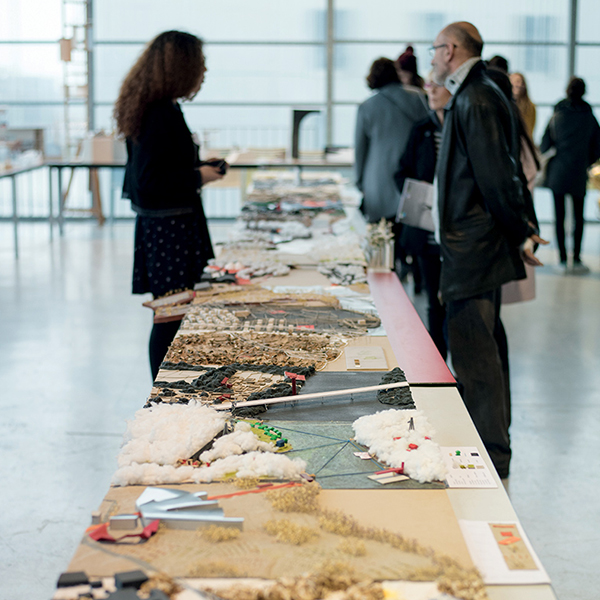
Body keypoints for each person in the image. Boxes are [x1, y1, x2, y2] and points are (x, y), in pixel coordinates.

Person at [430, 22, 545, 478]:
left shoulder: (476, 96)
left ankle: (490, 456)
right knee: (485, 348)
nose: (433, 57)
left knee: (476, 355)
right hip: (474, 244)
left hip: (474, 247)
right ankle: (493, 447)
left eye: (436, 49)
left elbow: (498, 175)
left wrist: (521, 231)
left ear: (452, 49)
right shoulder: (480, 91)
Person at [114, 30, 225, 380]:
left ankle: (170, 387)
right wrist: (198, 176)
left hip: (170, 227)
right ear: (181, 66)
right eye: (200, 63)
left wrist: (197, 167)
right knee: (169, 314)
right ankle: (165, 392)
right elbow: (149, 182)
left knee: (173, 312)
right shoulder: (158, 112)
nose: (204, 71)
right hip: (168, 232)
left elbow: (159, 168)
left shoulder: (159, 107)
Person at [354, 57, 428, 278]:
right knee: (411, 230)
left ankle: (390, 276)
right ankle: (414, 272)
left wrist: (360, 181)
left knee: (383, 243)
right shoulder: (418, 97)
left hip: (379, 178)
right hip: (412, 177)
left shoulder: (367, 106)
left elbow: (360, 149)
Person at [394, 75, 451, 359]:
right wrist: (417, 197)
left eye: (437, 85)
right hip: (426, 229)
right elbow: (402, 171)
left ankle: (457, 364)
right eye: (429, 85)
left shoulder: (461, 128)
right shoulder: (422, 129)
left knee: (454, 303)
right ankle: (440, 366)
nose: (430, 90)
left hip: (454, 232)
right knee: (433, 302)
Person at [540, 76, 600, 273]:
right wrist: (586, 160)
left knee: (560, 216)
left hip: (558, 170)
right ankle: (578, 257)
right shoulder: (589, 116)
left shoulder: (557, 114)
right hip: (578, 171)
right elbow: (597, 147)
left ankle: (563, 259)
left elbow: (545, 144)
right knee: (578, 217)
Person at [510, 72, 536, 139]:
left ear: (523, 85)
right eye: (512, 81)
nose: (515, 84)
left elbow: (529, 131)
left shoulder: (529, 106)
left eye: (518, 81)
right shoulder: (506, 105)